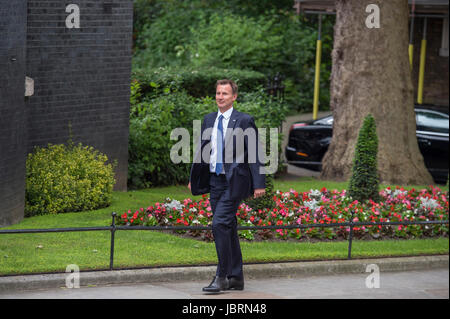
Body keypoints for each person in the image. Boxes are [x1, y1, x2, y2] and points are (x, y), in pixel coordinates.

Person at [188, 79, 266, 293]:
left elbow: (255, 152)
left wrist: (259, 182)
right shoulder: (208, 119)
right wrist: (193, 177)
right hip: (215, 181)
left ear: (234, 97)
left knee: (219, 224)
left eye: (225, 93)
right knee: (228, 227)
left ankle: (221, 276)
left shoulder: (244, 120)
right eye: (218, 93)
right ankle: (236, 277)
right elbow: (203, 150)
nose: (220, 97)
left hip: (235, 181)